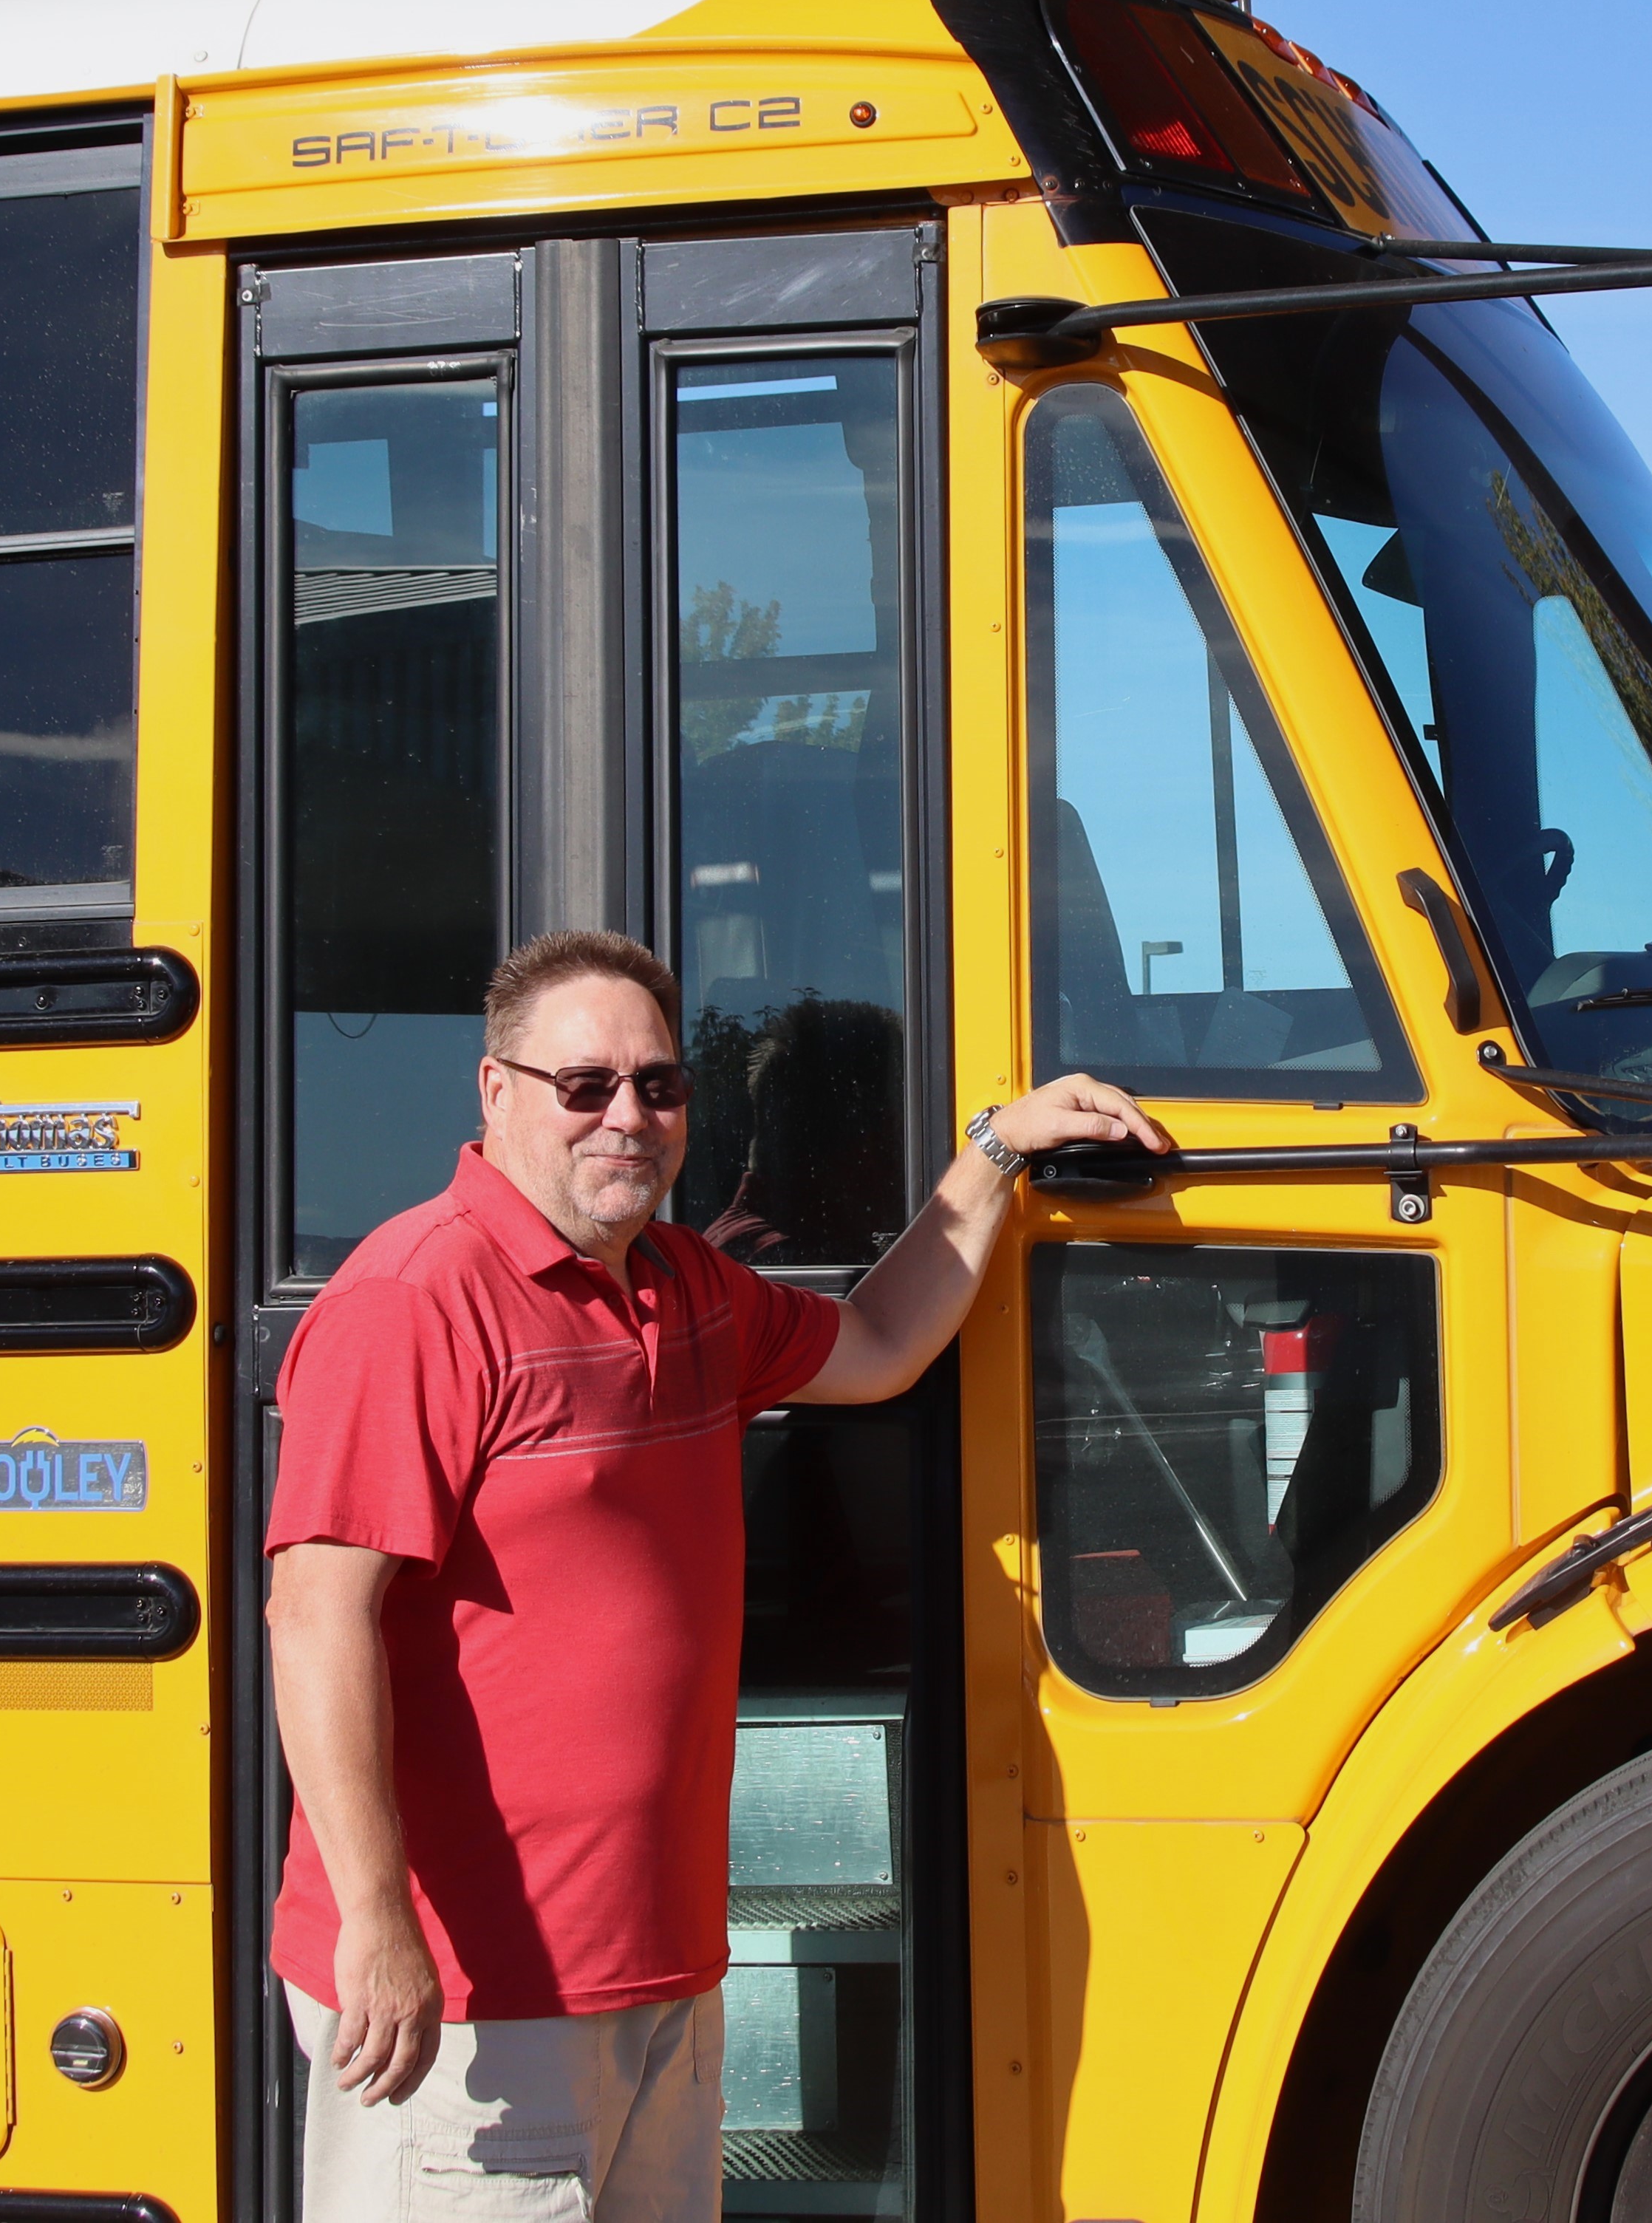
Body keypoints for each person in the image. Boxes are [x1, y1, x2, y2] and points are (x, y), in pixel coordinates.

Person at [267, 926, 1168, 2223]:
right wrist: (377, 1924)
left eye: (659, 1084)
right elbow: (314, 1617)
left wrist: (998, 1152)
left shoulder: (689, 1290)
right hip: (472, 2005)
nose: (626, 1116)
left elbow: (880, 1341)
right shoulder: (414, 1299)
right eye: (585, 1086)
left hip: (664, 1978)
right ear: (496, 1092)